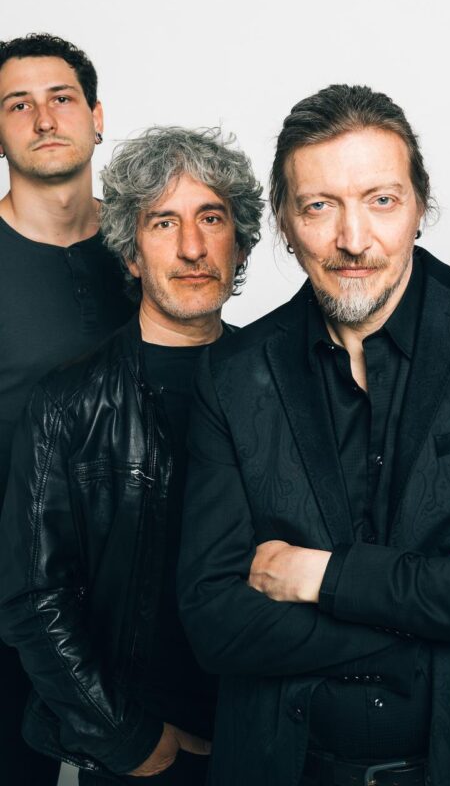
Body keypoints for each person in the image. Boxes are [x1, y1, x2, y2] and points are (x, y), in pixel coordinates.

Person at [177, 84, 450, 785]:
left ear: (420, 207)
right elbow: (215, 622)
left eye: (381, 200)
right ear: (283, 220)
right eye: (319, 206)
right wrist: (444, 603)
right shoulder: (232, 373)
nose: (353, 239)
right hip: (291, 767)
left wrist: (322, 577)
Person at [0, 126, 263, 785]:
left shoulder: (286, 382)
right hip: (145, 749)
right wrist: (130, 739)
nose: (192, 247)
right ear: (131, 253)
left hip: (267, 734)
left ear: (240, 242)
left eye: (212, 218)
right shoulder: (67, 402)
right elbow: (32, 596)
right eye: (163, 222)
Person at [0, 32, 134, 785]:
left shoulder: (155, 247)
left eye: (62, 98)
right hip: (10, 604)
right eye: (18, 105)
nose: (45, 118)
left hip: (138, 602)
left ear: (97, 116)